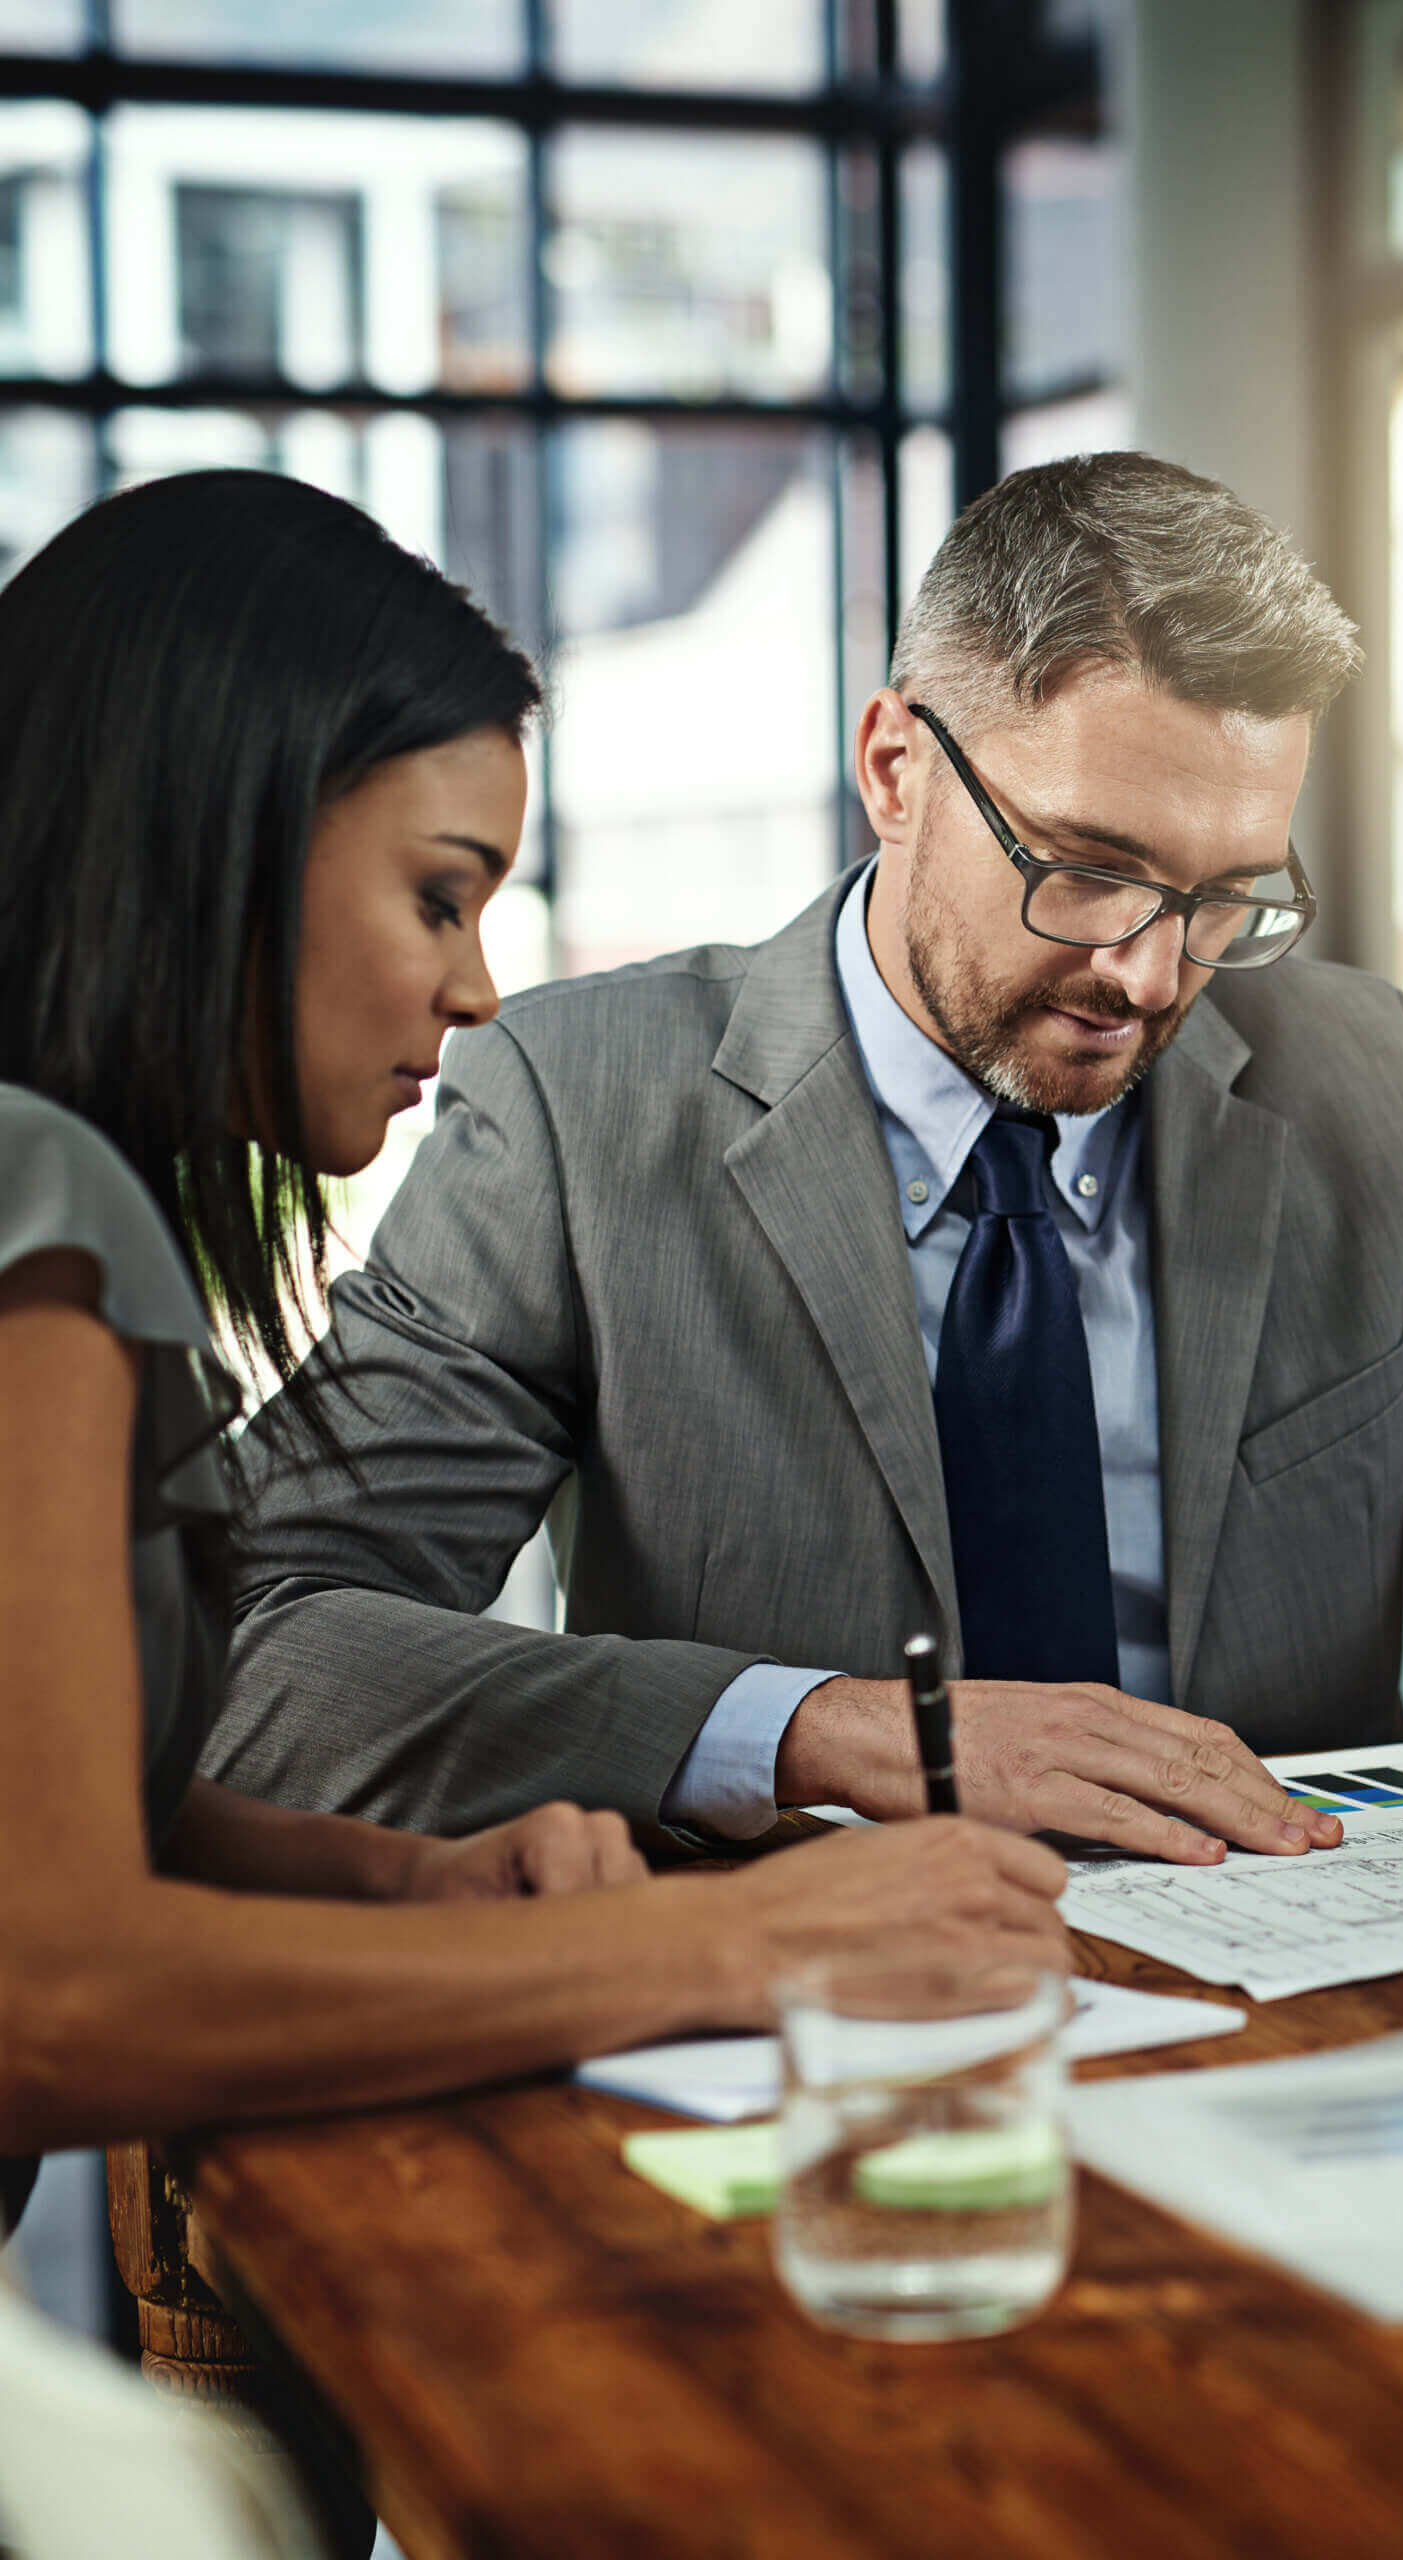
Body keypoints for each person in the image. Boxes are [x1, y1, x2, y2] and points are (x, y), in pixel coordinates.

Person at [203, 452, 1403, 1866]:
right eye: (1091, 869)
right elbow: (268, 1652)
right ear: (897, 770)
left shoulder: (1353, 1082)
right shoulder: (581, 1102)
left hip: (1309, 1972)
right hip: (813, 2001)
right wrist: (832, 1733)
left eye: (1225, 895)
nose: (1152, 973)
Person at [0, 470, 1066, 2235]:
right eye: (438, 896)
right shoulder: (43, 1203)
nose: (478, 988)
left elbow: (64, 1814)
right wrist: (724, 1937)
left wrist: (410, 1887)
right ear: (210, 844)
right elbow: (50, 1995)